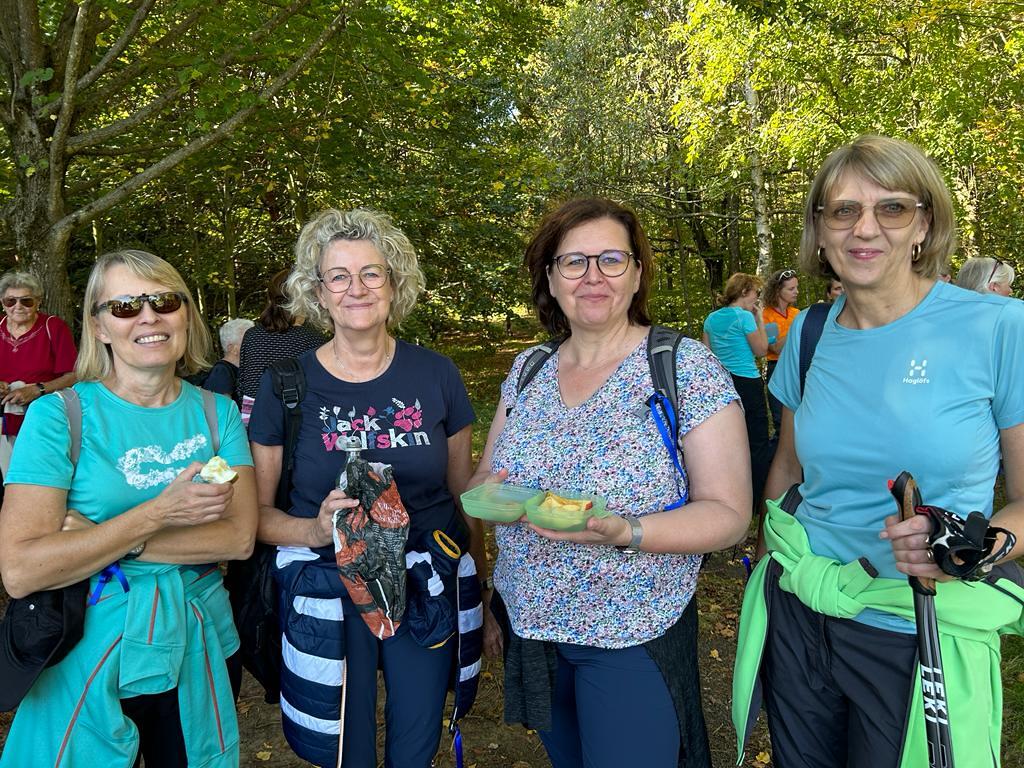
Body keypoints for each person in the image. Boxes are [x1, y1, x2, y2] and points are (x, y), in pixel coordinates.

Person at [733, 135, 1024, 767]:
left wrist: (976, 548)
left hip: (915, 624)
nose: (865, 228)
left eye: (891, 208)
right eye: (843, 210)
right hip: (801, 614)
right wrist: (765, 564)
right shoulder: (809, 333)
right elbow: (788, 469)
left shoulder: (999, 328)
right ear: (820, 230)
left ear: (924, 224)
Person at [469, 197, 751, 768]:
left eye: (611, 259)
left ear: (638, 273)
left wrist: (627, 531)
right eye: (574, 261)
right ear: (551, 279)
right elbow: (483, 481)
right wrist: (504, 501)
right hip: (532, 625)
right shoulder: (528, 369)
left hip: (632, 629)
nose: (593, 275)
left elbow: (728, 514)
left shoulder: (683, 366)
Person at [248, 208, 487, 768]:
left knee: (416, 741)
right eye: (339, 276)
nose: (356, 288)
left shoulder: (437, 374)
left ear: (394, 284)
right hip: (329, 585)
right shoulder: (285, 385)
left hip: (428, 579)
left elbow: (463, 497)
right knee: (343, 747)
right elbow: (253, 514)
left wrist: (482, 591)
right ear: (318, 293)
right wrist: (315, 528)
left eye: (371, 273)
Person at [0, 249, 257, 767]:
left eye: (164, 301)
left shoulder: (218, 413)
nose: (148, 317)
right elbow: (23, 569)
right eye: (124, 306)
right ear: (98, 326)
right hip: (88, 642)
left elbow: (238, 538)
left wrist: (99, 538)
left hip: (201, 643)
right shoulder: (59, 416)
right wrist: (157, 514)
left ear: (185, 315)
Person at [702, 272, 771, 507]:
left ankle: (730, 497)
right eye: (755, 293)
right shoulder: (744, 317)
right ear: (743, 292)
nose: (757, 298)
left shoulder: (711, 319)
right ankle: (757, 500)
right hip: (748, 382)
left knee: (730, 442)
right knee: (757, 441)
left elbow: (707, 355)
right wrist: (760, 319)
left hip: (722, 384)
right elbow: (761, 350)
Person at [0, 271, 77, 477]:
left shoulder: (53, 327)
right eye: (11, 301)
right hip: (3, 416)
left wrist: (38, 389)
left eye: (26, 301)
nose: (18, 306)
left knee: (39, 470)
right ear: (3, 303)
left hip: (43, 413)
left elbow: (74, 375)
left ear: (38, 302)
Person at [237, 268, 324, 426]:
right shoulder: (312, 338)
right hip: (299, 424)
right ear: (301, 298)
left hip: (255, 422)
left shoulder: (252, 336)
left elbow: (243, 385)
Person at [761, 267, 799, 431]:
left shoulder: (796, 313)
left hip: (797, 366)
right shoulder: (766, 315)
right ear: (777, 290)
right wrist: (796, 327)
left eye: (797, 287)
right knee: (780, 419)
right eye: (791, 289)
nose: (796, 292)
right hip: (777, 367)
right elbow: (775, 348)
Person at [203, 317, 254, 399]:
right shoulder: (221, 373)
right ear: (232, 348)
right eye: (249, 341)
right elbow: (219, 406)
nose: (256, 345)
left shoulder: (242, 370)